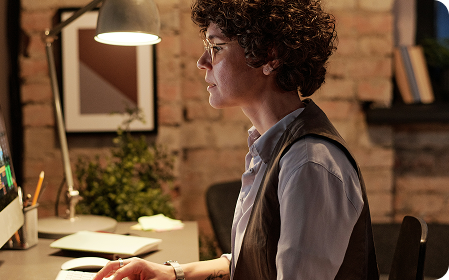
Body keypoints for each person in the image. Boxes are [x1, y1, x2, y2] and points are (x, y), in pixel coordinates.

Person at [94, 0, 379, 279]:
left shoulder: (309, 164)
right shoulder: (274, 145)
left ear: (270, 57)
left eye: (216, 48)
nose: (202, 62)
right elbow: (255, 258)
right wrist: (173, 274)